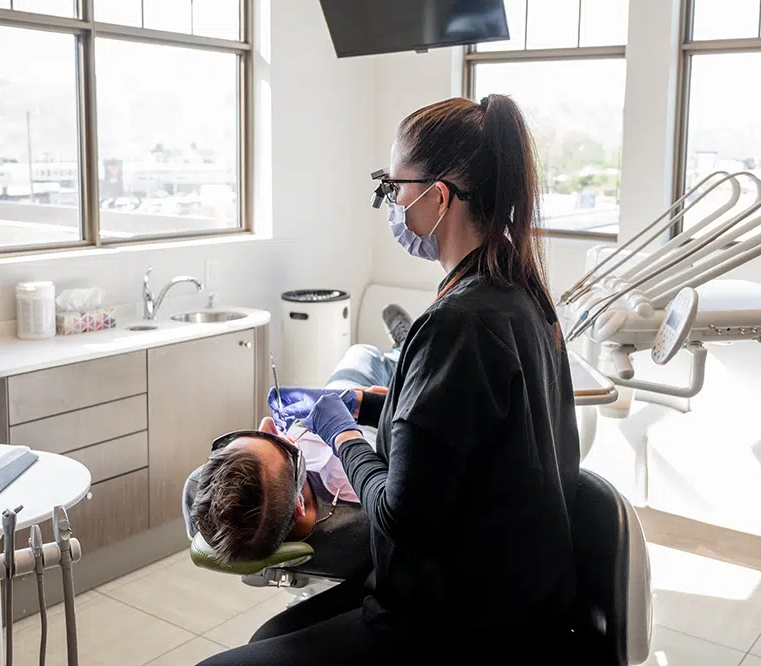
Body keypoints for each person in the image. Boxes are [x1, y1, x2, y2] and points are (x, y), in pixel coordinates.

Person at [200, 95, 580, 665]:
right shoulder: (518, 294)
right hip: (512, 598)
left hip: (458, 625)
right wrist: (364, 404)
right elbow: (462, 423)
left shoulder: (461, 323)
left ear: (438, 197)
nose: (391, 204)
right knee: (263, 642)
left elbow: (401, 521)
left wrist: (341, 436)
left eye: (393, 189)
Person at [183, 307, 413, 572]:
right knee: (374, 359)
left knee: (361, 354)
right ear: (300, 505)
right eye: (283, 446)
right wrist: (367, 405)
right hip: (368, 432)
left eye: (256, 436)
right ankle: (405, 348)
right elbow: (410, 421)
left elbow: (200, 492)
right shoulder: (365, 507)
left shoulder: (217, 494)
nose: (268, 422)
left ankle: (399, 352)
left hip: (327, 416)